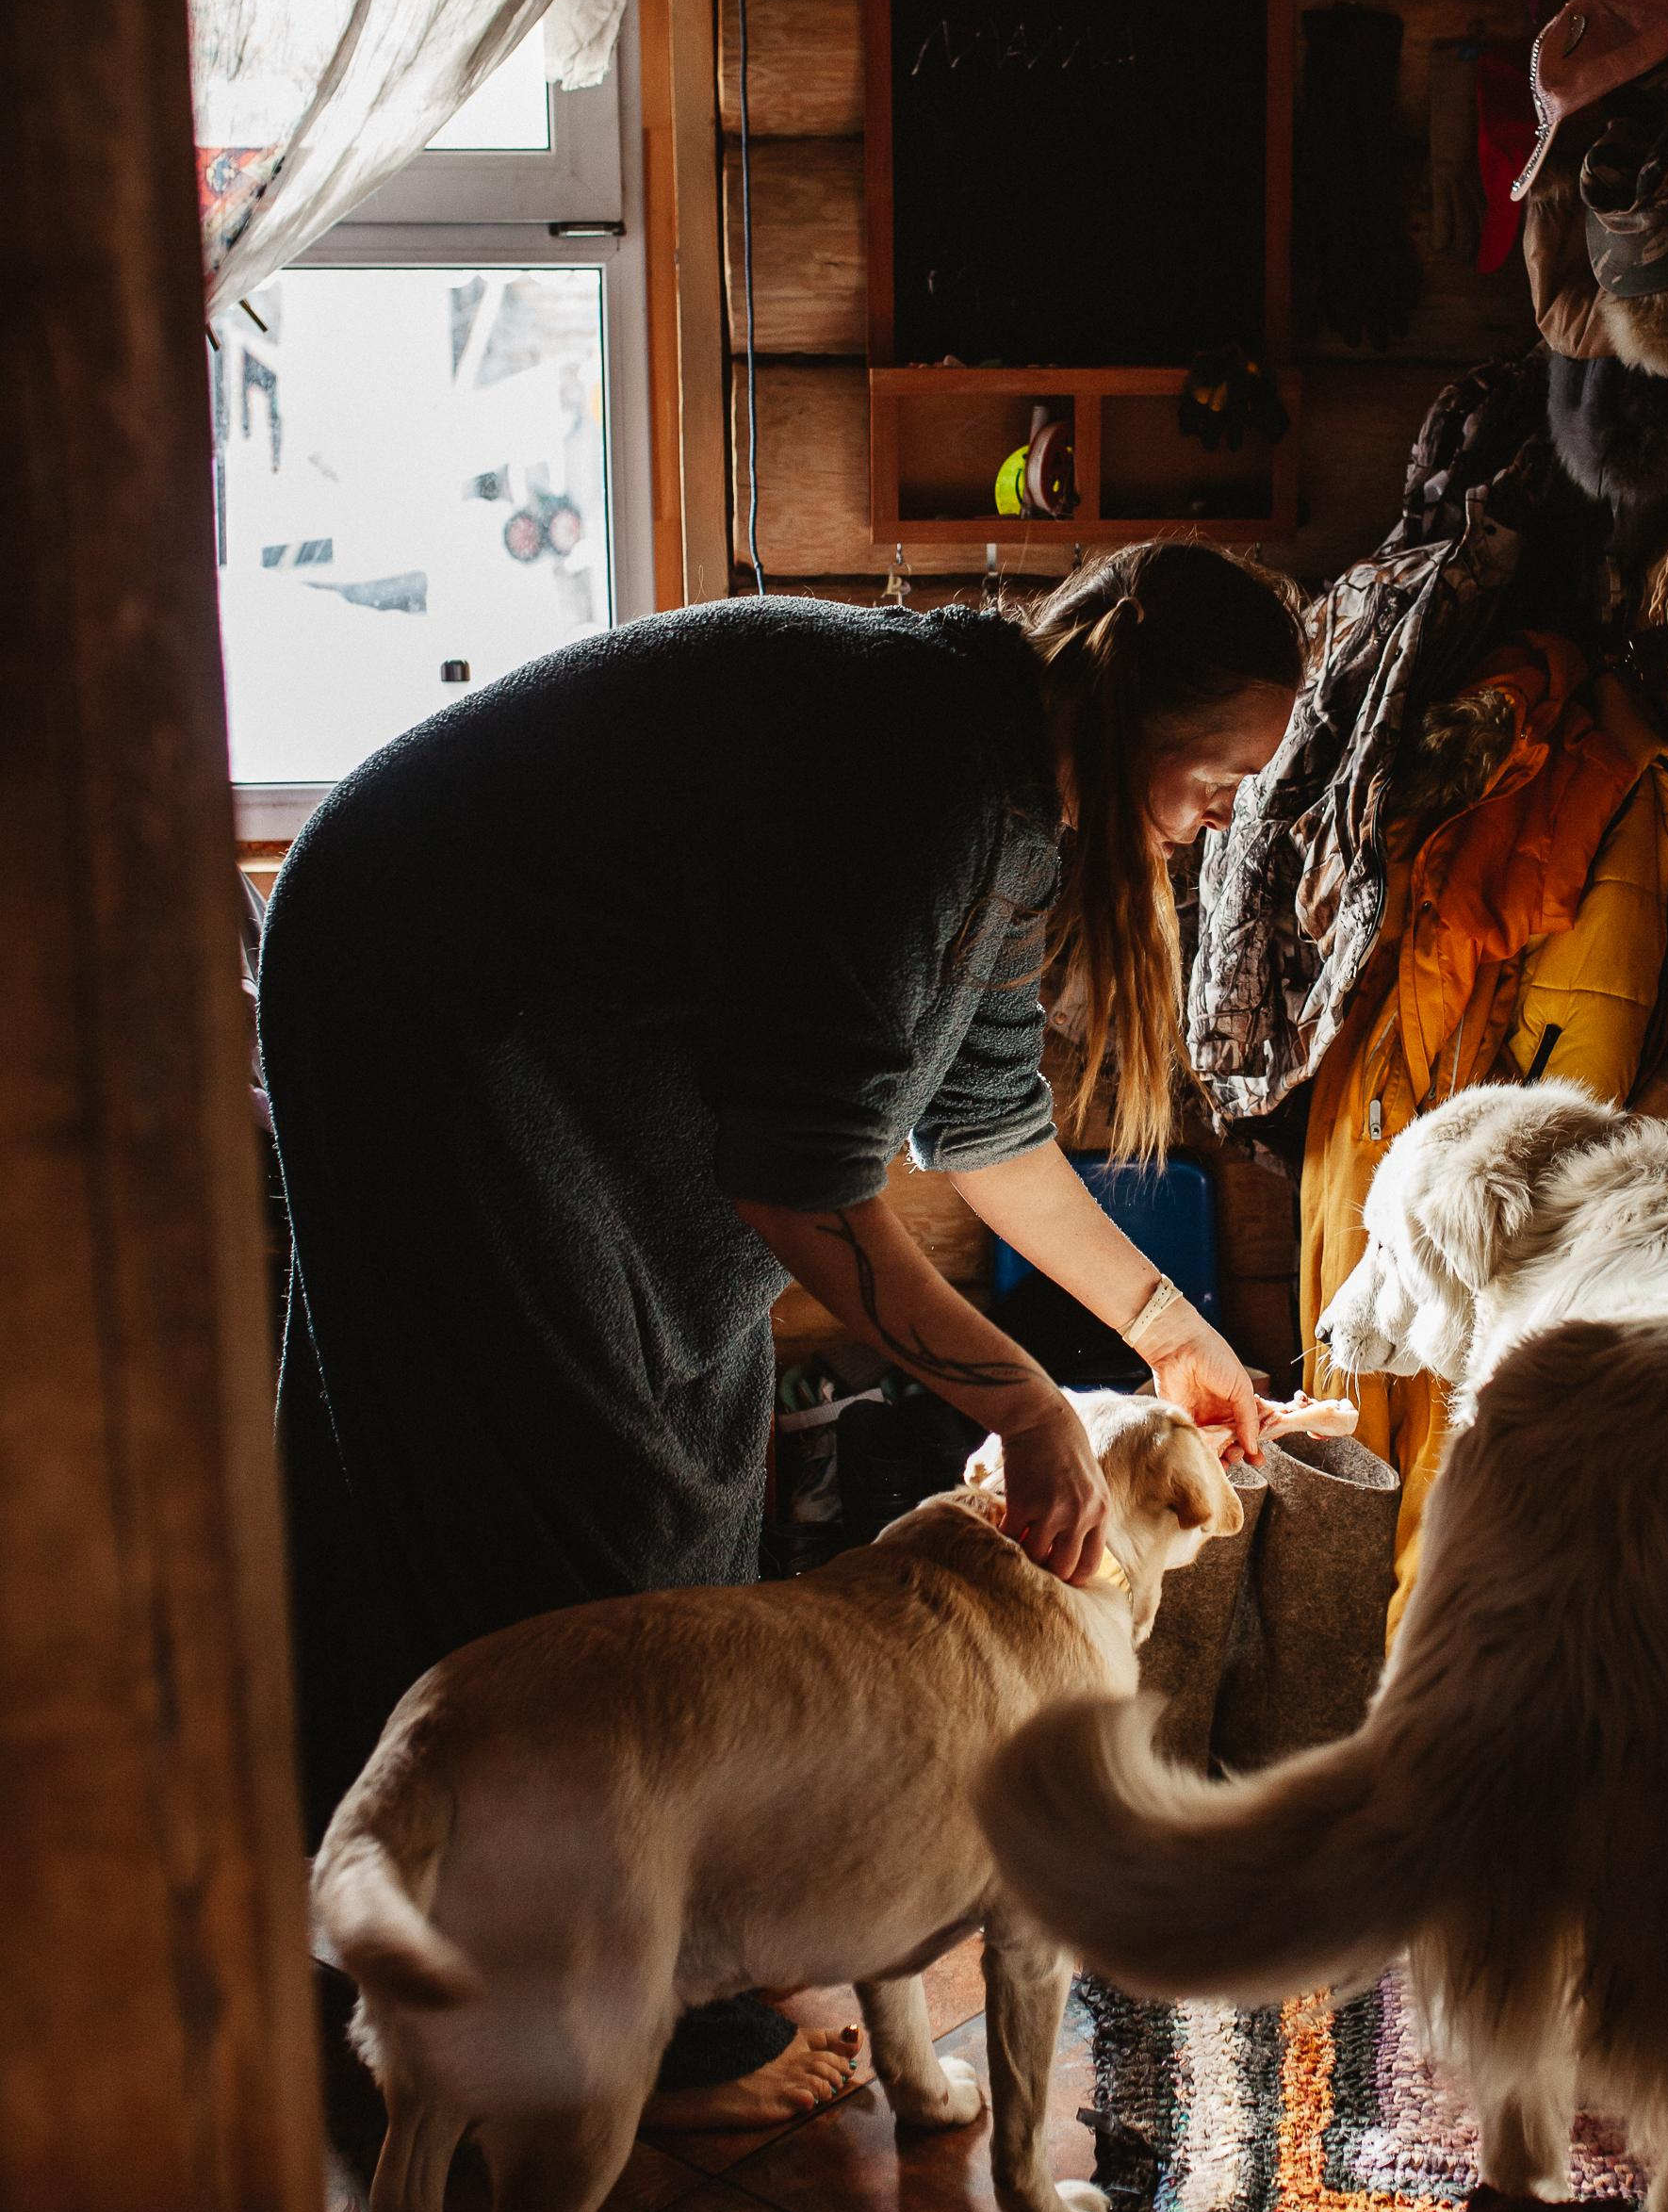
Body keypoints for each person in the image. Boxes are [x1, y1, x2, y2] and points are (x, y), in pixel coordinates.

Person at [261, 538, 1303, 2122]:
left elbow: (986, 1123)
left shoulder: (1024, 810)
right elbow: (806, 1187)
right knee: (561, 1484)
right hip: (435, 1000)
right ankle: (589, 2038)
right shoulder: (920, 779)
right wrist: (1026, 1405)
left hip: (525, 1007)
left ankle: (558, 1970)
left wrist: (1164, 1326)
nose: (1225, 809)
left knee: (682, 1432)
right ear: (1122, 714)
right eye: (1217, 770)